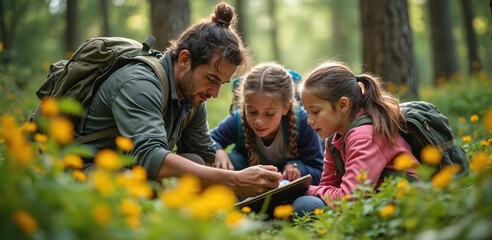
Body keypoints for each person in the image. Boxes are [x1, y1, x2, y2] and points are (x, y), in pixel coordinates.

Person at [77, 3, 282, 198]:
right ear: (185, 60)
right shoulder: (140, 83)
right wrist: (234, 180)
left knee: (195, 162)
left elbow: (203, 156)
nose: (215, 93)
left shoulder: (193, 97)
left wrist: (246, 188)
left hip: (131, 169)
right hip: (85, 168)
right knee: (134, 186)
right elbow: (150, 157)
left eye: (222, 83)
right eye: (211, 79)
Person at [292, 60, 420, 216]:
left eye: (316, 111)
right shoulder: (334, 140)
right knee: (307, 202)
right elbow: (328, 187)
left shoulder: (364, 137)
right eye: (307, 112)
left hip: (404, 207)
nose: (309, 120)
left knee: (304, 204)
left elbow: (350, 198)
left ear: (343, 105)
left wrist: (307, 189)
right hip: (371, 203)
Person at [210, 62, 324, 185]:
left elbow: (320, 171)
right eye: (252, 111)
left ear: (286, 108)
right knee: (233, 159)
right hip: (252, 188)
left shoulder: (303, 122)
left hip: (290, 190)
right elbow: (210, 139)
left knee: (306, 204)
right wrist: (218, 150)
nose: (258, 121)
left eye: (269, 113)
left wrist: (299, 168)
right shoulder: (238, 120)